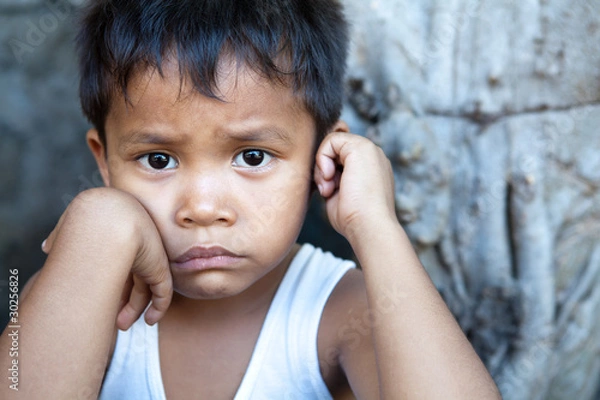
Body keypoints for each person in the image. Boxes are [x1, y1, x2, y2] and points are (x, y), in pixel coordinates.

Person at [0, 0, 501, 398]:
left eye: (254, 156)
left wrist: (376, 226)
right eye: (158, 160)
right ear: (104, 160)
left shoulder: (338, 310)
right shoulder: (93, 288)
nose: (201, 207)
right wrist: (99, 218)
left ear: (324, 160)